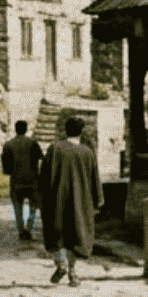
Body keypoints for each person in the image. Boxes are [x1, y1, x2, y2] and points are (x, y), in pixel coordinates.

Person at [39, 116, 99, 286]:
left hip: (56, 200)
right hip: (80, 201)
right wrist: (96, 201)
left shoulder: (54, 149)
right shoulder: (87, 152)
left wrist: (40, 198)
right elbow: (95, 179)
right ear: (81, 131)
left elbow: (43, 177)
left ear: (66, 130)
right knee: (76, 235)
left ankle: (61, 264)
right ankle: (73, 272)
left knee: (56, 234)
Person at [0, 120, 43, 241]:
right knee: (33, 207)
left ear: (15, 129)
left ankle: (20, 230)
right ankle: (29, 229)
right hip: (32, 181)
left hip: (16, 181)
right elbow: (41, 158)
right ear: (26, 129)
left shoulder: (8, 144)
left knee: (17, 208)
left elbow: (6, 167)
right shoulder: (33, 143)